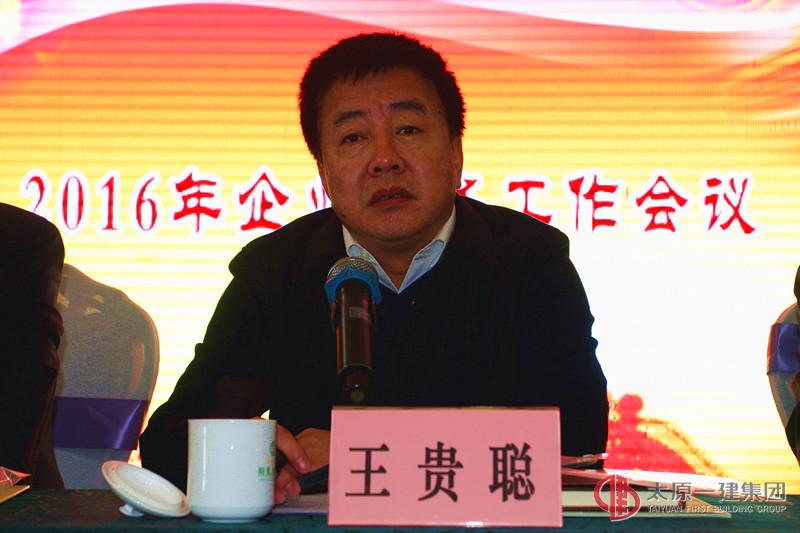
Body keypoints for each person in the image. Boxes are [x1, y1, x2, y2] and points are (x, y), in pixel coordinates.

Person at [140, 32, 608, 503]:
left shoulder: (527, 261)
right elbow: (168, 443)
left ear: (455, 152)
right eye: (353, 137)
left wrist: (357, 452)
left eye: (408, 130)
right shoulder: (276, 272)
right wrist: (260, 454)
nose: (384, 160)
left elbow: (578, 441)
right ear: (324, 172)